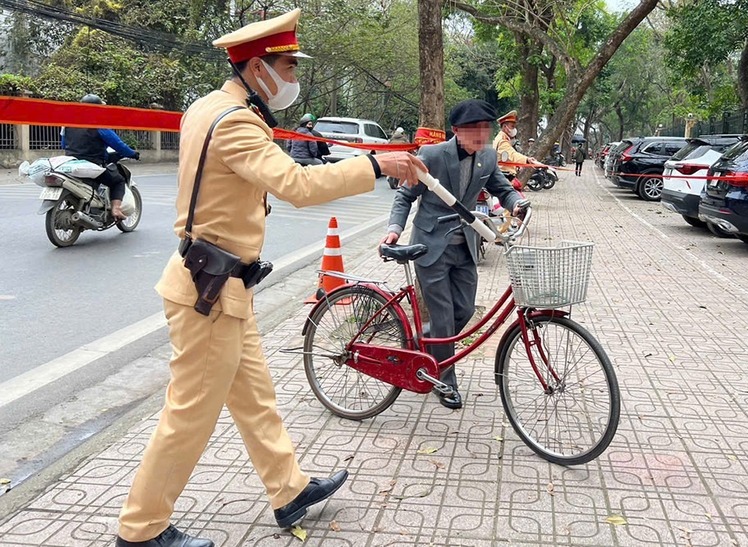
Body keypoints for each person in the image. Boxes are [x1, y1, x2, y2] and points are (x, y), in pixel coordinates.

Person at [115, 9, 426, 547]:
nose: (293, 78)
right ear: (257, 67)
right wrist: (378, 166)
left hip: (225, 286)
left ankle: (289, 490)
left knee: (255, 398)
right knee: (188, 414)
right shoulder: (234, 121)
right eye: (287, 65)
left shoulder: (209, 107)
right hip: (209, 292)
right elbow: (294, 184)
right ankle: (140, 530)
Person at [381, 99, 527, 410]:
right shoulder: (432, 155)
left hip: (465, 246)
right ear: (457, 131)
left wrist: (516, 202)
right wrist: (395, 228)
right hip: (430, 246)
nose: (481, 136)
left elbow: (502, 187)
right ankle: (444, 380)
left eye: (485, 129)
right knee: (445, 316)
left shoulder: (487, 157)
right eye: (474, 130)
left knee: (463, 310)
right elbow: (406, 195)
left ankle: (423, 343)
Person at [61, 94, 140, 220]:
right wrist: (133, 153)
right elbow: (118, 145)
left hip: (70, 163)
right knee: (118, 181)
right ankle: (116, 209)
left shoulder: (68, 124)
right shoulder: (99, 125)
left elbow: (64, 144)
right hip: (92, 164)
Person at [492, 110, 537, 181]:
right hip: (503, 177)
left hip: (503, 176)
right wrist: (527, 160)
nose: (514, 129)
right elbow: (512, 155)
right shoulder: (502, 141)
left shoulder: (502, 138)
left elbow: (506, 158)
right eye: (512, 126)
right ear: (504, 127)